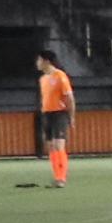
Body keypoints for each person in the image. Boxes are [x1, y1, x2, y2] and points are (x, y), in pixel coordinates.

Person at [34, 49, 76, 187]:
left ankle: (62, 178)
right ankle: (57, 176)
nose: (37, 63)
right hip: (47, 114)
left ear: (46, 61)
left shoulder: (60, 75)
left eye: (39, 60)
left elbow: (69, 97)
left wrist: (71, 116)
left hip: (59, 113)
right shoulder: (42, 79)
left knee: (59, 144)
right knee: (51, 146)